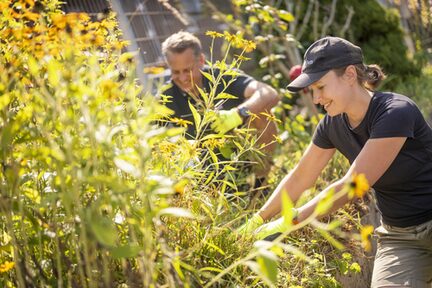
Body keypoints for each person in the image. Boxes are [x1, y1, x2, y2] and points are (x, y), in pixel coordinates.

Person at [238, 36, 432, 287]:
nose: (316, 98)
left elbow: (354, 184)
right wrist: (258, 220)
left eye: (321, 86)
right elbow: (300, 177)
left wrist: (292, 220)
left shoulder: (395, 111)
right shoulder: (332, 124)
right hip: (401, 236)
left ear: (350, 74)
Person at [159, 31, 280, 188]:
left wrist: (237, 114)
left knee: (261, 113)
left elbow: (269, 93)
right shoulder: (166, 95)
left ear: (201, 60)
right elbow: (148, 136)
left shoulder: (221, 76)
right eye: (176, 72)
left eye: (187, 70)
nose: (182, 78)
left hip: (241, 154)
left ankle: (261, 184)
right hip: (203, 168)